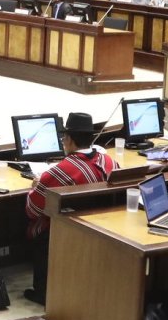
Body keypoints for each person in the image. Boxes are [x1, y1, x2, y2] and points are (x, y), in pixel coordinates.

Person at [23, 111, 117, 304]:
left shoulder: (59, 172)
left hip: (69, 230)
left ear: (69, 140)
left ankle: (42, 292)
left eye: (64, 137)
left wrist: (34, 187)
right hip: (104, 226)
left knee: (38, 226)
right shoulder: (109, 162)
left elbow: (32, 210)